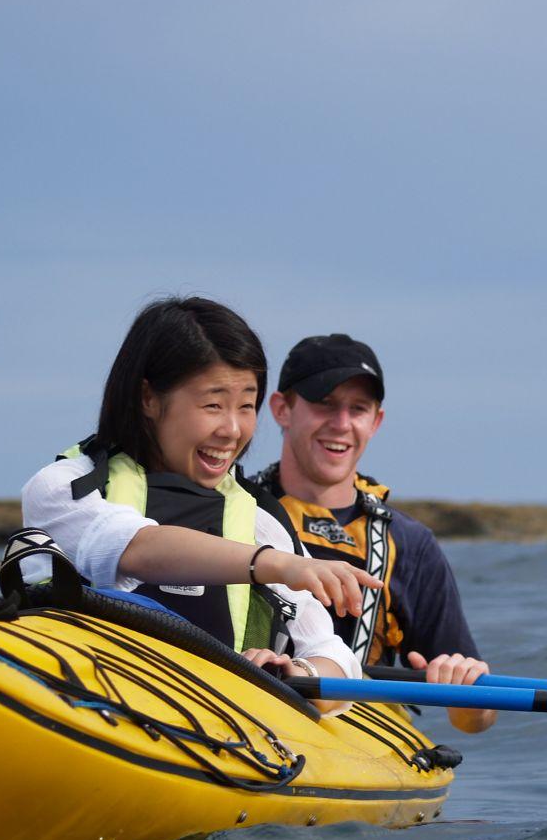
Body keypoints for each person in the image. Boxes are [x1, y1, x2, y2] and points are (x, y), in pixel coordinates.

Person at [21, 297, 380, 705]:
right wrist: (276, 564)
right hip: (80, 699)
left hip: (211, 730)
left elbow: (335, 656)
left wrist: (294, 672)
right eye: (212, 405)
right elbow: (137, 548)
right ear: (149, 398)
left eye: (246, 405)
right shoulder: (66, 487)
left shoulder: (260, 522)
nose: (232, 429)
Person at [253, 334, 496, 733]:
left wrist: (465, 688)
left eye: (358, 409)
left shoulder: (410, 543)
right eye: (324, 404)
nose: (342, 424)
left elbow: (476, 721)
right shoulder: (234, 511)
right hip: (252, 713)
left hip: (360, 738)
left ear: (376, 421)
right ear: (282, 409)